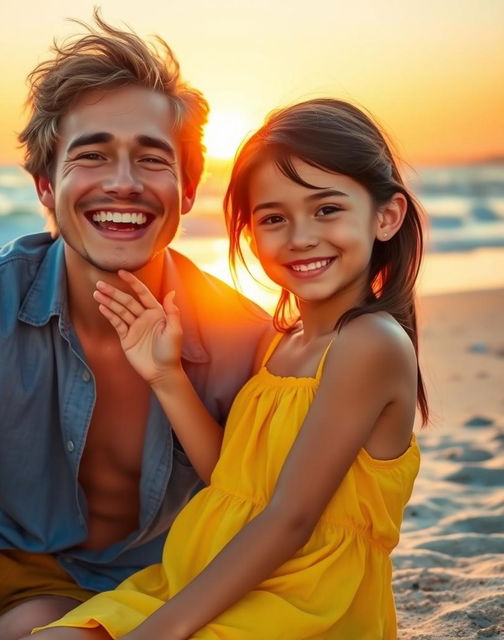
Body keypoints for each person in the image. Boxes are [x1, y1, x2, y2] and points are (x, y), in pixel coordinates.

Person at [0, 12, 269, 640]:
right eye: (92, 154)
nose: (123, 182)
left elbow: (261, 511)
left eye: (152, 158)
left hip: (108, 589)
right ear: (46, 187)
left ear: (188, 190)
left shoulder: (241, 338)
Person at [32, 98, 429, 640]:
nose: (300, 237)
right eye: (273, 218)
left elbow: (290, 519)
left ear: (386, 216)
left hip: (302, 603)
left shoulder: (371, 344)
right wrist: (165, 376)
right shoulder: (280, 343)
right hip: (210, 578)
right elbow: (234, 480)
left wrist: (160, 632)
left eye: (327, 209)